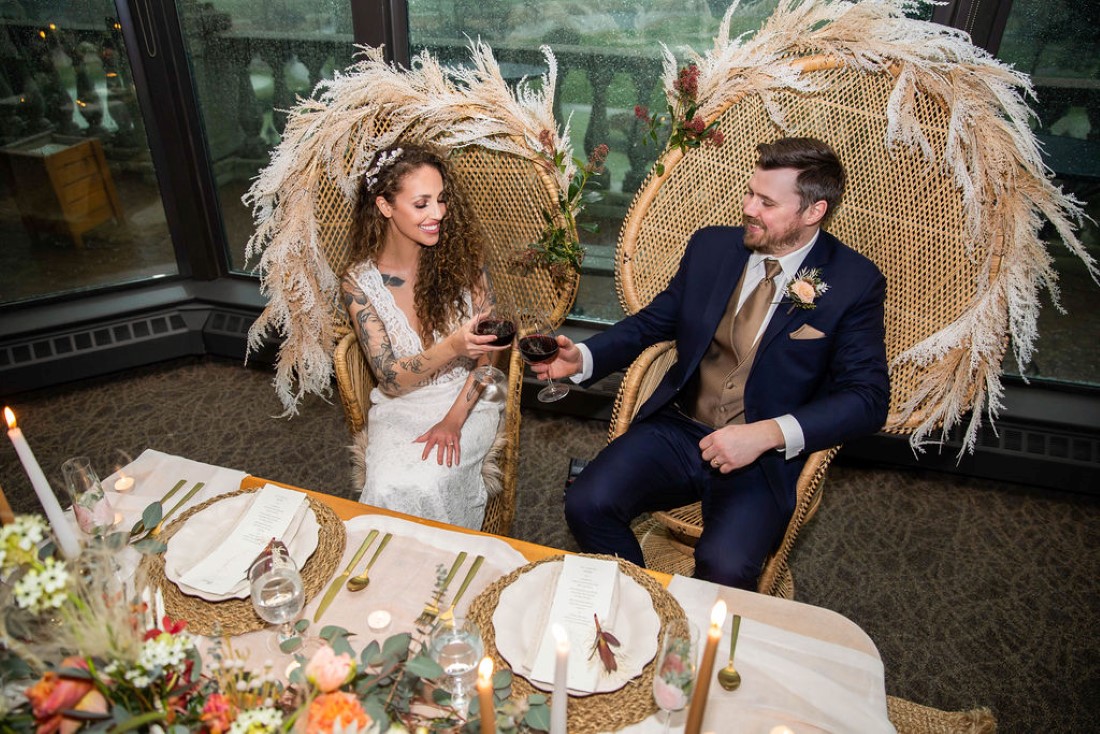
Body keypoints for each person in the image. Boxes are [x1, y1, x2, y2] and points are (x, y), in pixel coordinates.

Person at [533, 137, 890, 588]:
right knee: (586, 503)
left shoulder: (854, 282)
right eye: (750, 193)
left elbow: (869, 399)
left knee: (725, 565)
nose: (748, 208)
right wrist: (582, 358)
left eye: (766, 202)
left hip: (762, 454)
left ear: (813, 212)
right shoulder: (712, 249)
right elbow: (653, 323)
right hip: (680, 428)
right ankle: (641, 601)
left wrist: (765, 435)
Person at [340, 143, 507, 529]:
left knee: (431, 480)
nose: (437, 214)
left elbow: (488, 359)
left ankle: (450, 568)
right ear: (385, 206)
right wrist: (451, 346)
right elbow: (391, 378)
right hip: (400, 406)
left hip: (470, 395)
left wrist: (453, 420)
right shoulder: (358, 282)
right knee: (385, 484)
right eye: (422, 204)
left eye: (441, 200)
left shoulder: (466, 261)